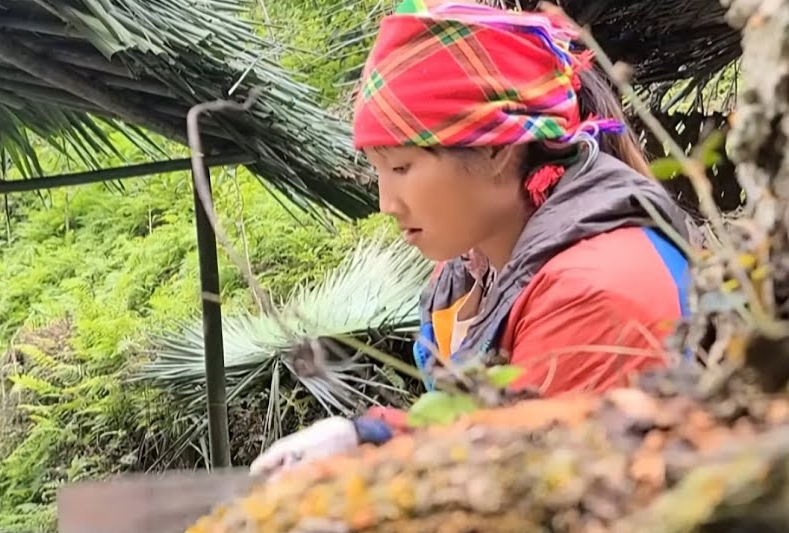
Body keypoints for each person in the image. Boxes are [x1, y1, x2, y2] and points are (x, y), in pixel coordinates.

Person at [250, 0, 694, 476]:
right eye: (377, 170)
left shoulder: (590, 292)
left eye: (401, 167)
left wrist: (370, 452)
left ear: (497, 152)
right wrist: (370, 438)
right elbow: (490, 435)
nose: (386, 203)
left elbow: (526, 482)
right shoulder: (473, 271)